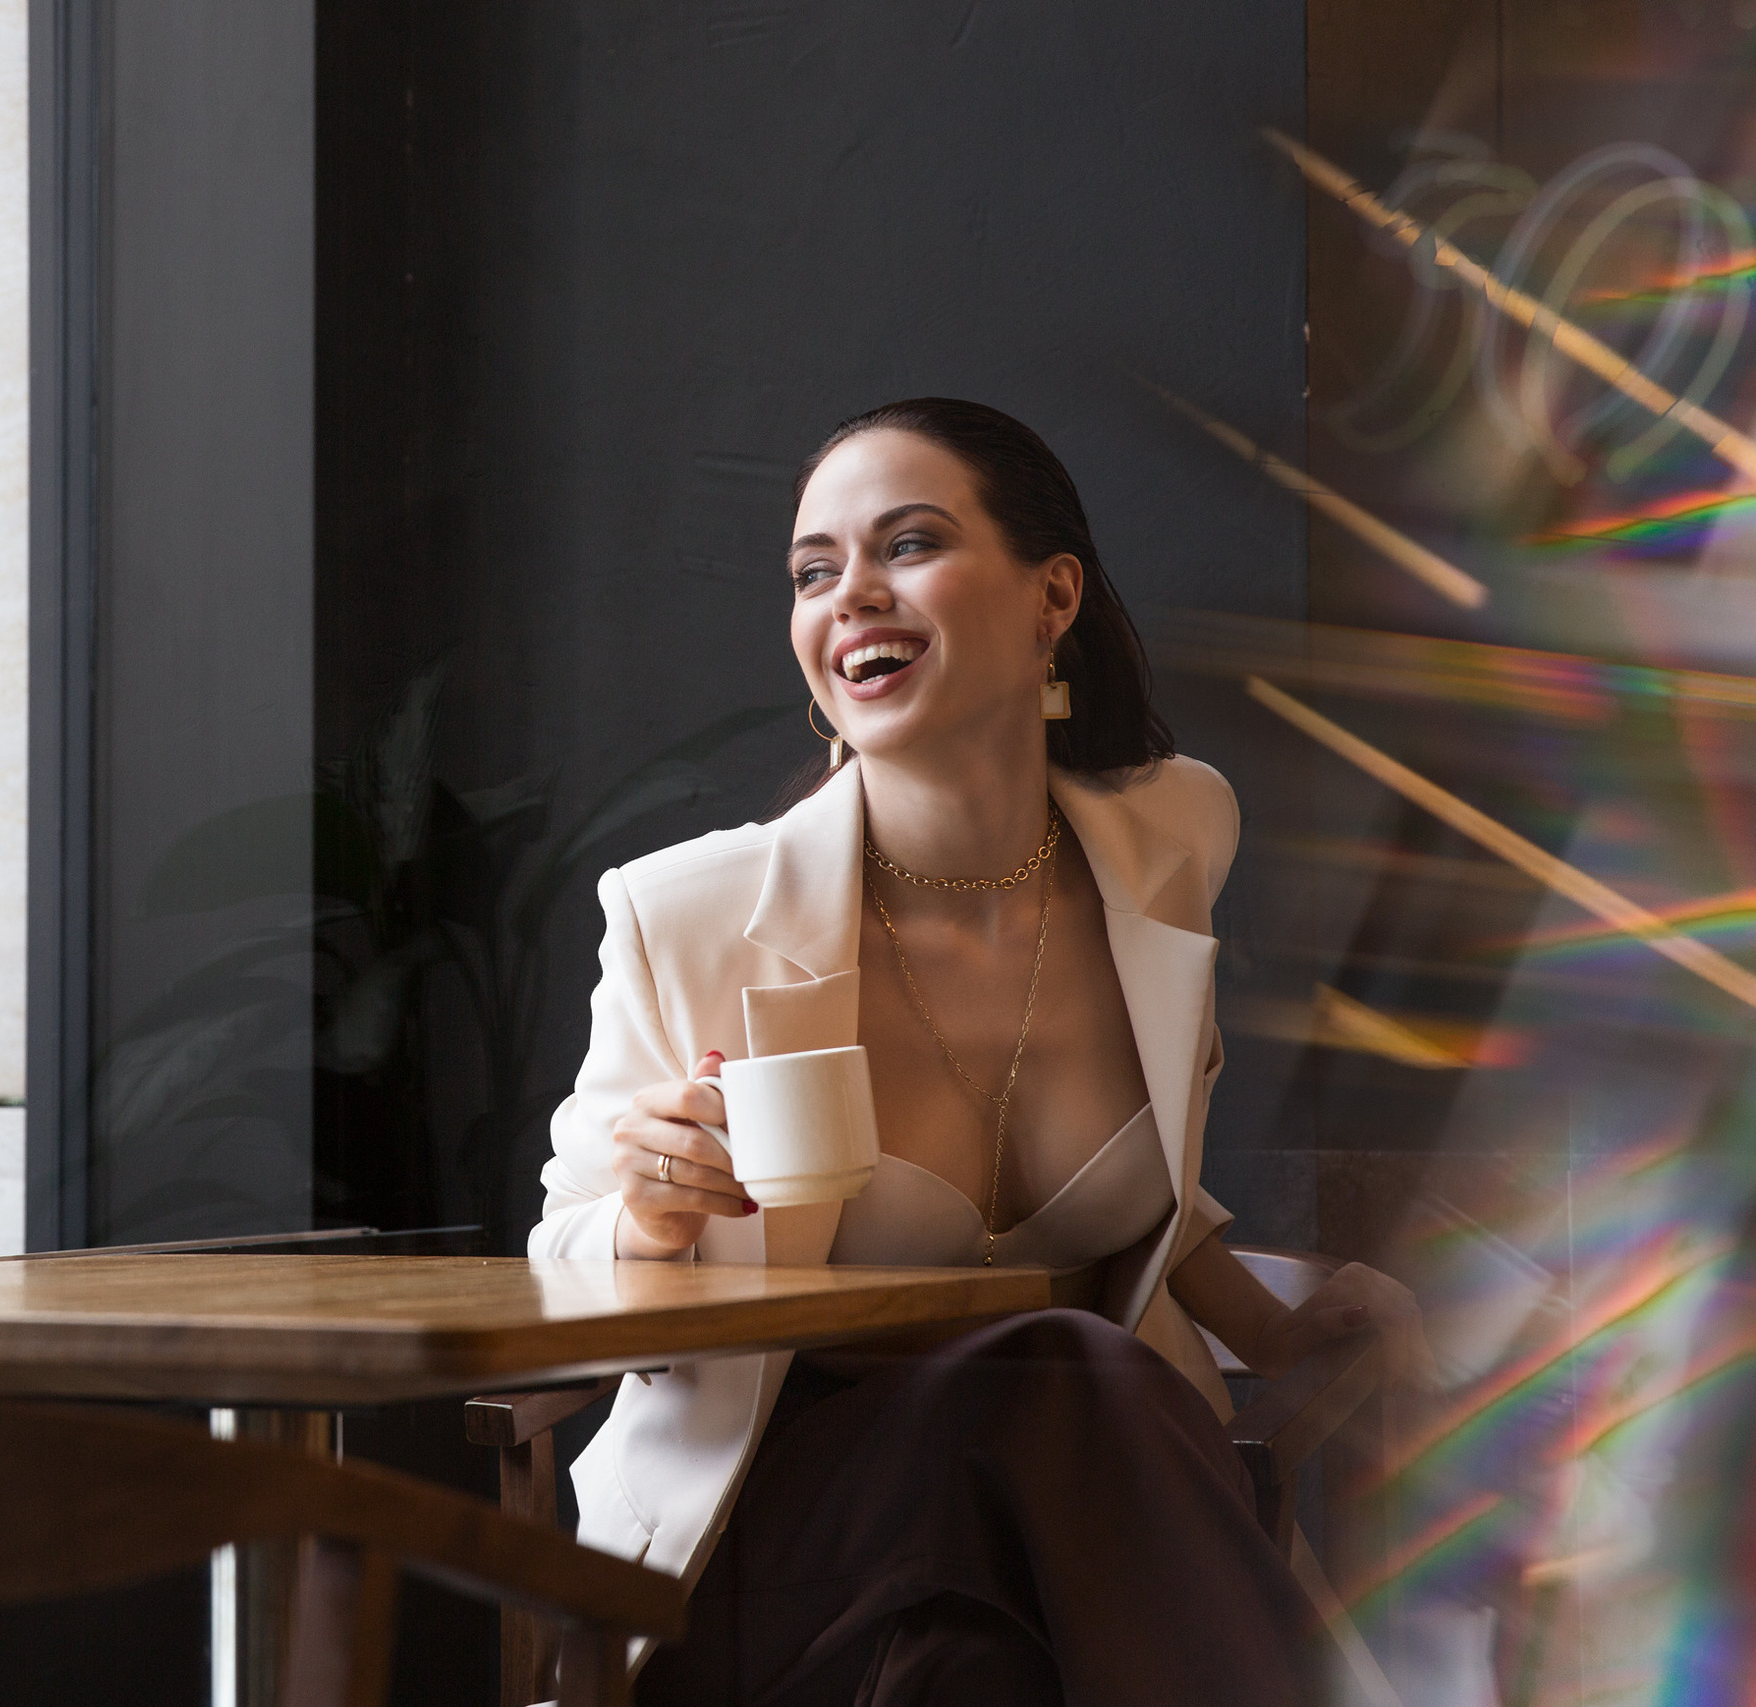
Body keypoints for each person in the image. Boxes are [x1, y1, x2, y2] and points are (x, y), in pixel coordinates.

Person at [528, 398, 1434, 1705]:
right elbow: (558, 1270)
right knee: (1050, 1374)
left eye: (906, 545)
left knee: (978, 1660)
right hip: (784, 1540)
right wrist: (649, 1222)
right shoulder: (693, 915)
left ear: (1051, 595)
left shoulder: (1173, 844)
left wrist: (1278, 1331)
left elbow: (1146, 1207)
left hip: (1062, 1536)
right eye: (813, 570)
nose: (852, 596)